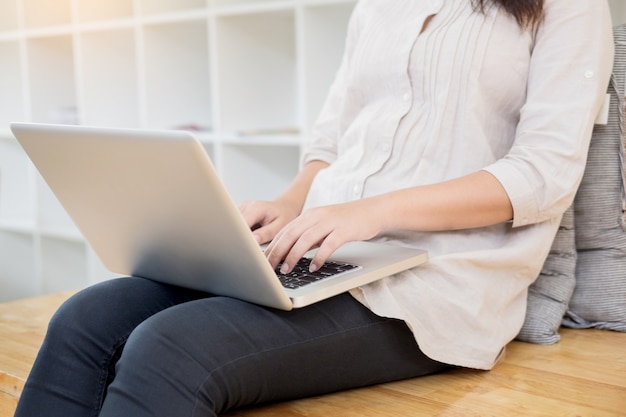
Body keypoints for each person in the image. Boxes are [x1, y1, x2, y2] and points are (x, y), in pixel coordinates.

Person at [14, 1, 614, 416]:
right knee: (86, 319)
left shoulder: (568, 8)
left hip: (435, 287)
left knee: (169, 349)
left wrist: (372, 212)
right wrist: (285, 204)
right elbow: (330, 146)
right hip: (324, 252)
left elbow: (546, 175)